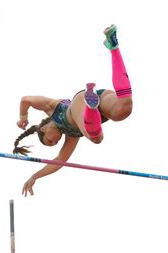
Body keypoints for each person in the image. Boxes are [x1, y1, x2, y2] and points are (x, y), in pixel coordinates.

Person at [14, 24, 133, 196]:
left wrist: (22, 116)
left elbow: (26, 100)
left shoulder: (51, 108)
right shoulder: (71, 138)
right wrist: (35, 176)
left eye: (49, 141)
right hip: (100, 103)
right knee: (124, 109)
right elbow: (59, 161)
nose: (54, 142)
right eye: (53, 144)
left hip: (78, 104)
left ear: (43, 128)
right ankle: (113, 46)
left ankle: (90, 107)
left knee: (96, 138)